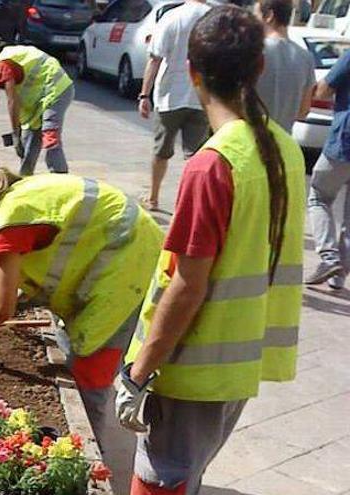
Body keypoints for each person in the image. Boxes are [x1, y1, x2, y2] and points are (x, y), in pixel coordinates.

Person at [116, 7, 306, 495]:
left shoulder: (212, 165)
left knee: (161, 482)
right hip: (237, 364)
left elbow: (187, 283)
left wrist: (137, 375)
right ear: (258, 69)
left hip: (192, 369)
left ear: (190, 71)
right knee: (188, 476)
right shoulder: (283, 149)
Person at [0, 154, 163, 441]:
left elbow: (1, 308)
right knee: (71, 342)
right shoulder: (19, 195)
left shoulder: (7, 223)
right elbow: (51, 254)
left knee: (90, 365)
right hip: (128, 249)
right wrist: (27, 295)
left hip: (131, 267)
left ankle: (89, 454)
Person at [138, 0, 211, 210]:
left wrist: (144, 95)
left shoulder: (172, 17)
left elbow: (155, 59)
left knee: (161, 151)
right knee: (195, 156)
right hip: (201, 96)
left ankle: (153, 197)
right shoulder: (215, 18)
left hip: (170, 96)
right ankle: (190, 203)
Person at [0, 32, 75, 175]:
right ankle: (24, 178)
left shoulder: (3, 64)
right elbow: (20, 98)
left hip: (57, 90)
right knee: (29, 140)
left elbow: (12, 100)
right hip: (44, 97)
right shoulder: (12, 54)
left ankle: (60, 176)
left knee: (50, 135)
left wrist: (15, 133)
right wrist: (20, 131)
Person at [305, 49, 350, 290]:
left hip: (345, 141)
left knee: (319, 196)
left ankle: (328, 258)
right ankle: (338, 276)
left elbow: (323, 90)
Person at [254, 0, 315, 132]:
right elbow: (303, 111)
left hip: (249, 137)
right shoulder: (306, 57)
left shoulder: (254, 51)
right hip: (283, 141)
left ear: (269, 16)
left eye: (256, 16)